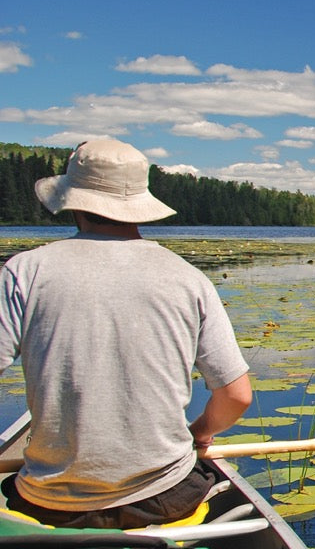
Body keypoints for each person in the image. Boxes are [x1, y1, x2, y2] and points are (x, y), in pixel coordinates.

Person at [0, 138, 253, 529]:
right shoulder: (188, 278)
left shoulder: (24, 271)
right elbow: (237, 396)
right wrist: (198, 434)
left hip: (47, 502)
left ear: (73, 199)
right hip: (163, 497)